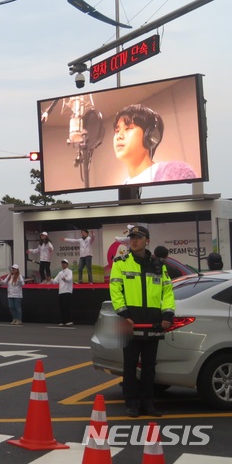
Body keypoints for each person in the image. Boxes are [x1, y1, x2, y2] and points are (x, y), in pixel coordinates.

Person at [109, 225, 174, 418]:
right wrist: (124, 314)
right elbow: (115, 291)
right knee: (129, 366)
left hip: (153, 322)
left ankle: (148, 402)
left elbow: (168, 292)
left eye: (138, 237)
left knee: (149, 366)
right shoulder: (120, 263)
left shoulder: (158, 265)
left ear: (148, 241)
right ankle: (132, 403)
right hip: (130, 321)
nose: (134, 240)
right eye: (132, 237)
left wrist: (167, 316)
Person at [112, 104, 197, 185]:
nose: (119, 136)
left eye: (128, 128)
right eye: (117, 131)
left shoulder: (176, 173)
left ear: (150, 136)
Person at [51, 259, 74, 326]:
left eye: (65, 263)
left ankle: (69, 320)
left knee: (66, 307)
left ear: (67, 264)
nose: (63, 264)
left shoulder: (69, 271)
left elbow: (69, 279)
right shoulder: (60, 273)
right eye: (62, 263)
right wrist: (51, 280)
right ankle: (63, 321)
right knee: (61, 307)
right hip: (61, 292)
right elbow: (55, 281)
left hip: (67, 291)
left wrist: (65, 279)